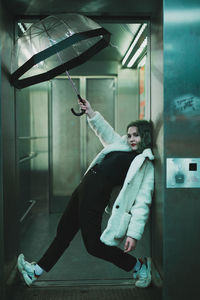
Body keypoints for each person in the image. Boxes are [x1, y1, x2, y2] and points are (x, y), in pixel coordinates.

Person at [18, 99, 154, 288]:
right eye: (129, 134)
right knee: (64, 231)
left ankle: (139, 267)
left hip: (96, 195)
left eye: (136, 135)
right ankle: (36, 272)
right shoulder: (123, 145)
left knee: (93, 246)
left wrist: (134, 233)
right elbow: (106, 133)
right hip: (84, 188)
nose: (131, 138)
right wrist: (90, 112)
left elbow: (142, 202)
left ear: (145, 137)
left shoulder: (144, 164)